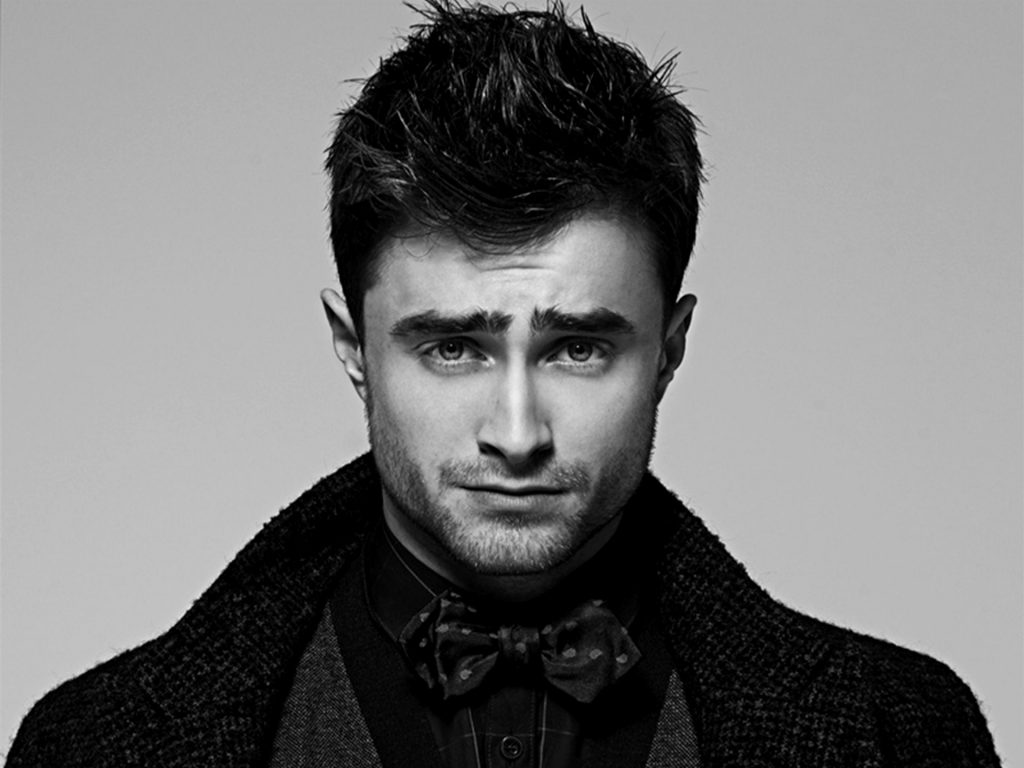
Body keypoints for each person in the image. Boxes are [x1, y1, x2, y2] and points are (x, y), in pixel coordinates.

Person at [7, 2, 1000, 766]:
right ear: (353, 347)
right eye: (452, 348)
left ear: (670, 349)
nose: (517, 434)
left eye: (577, 348)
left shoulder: (903, 732)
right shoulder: (90, 745)